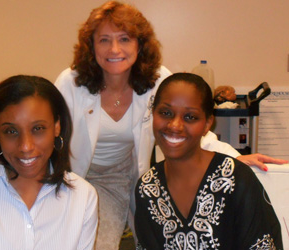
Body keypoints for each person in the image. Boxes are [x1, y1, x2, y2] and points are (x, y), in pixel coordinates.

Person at [55, 1, 287, 249]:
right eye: (104, 40)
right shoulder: (71, 83)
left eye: (124, 39)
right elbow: (49, 136)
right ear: (91, 45)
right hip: (78, 171)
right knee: (87, 243)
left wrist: (230, 160)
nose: (114, 49)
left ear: (139, 44)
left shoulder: (156, 79)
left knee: (151, 238)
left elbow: (188, 123)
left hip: (129, 170)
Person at [0, 75, 98, 250]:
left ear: (57, 127)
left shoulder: (83, 197)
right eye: (11, 131)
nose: (25, 146)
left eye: (38, 129)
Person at [134, 73, 283, 249]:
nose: (175, 125)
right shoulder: (148, 187)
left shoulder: (236, 180)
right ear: (153, 115)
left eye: (190, 117)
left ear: (207, 124)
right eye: (165, 113)